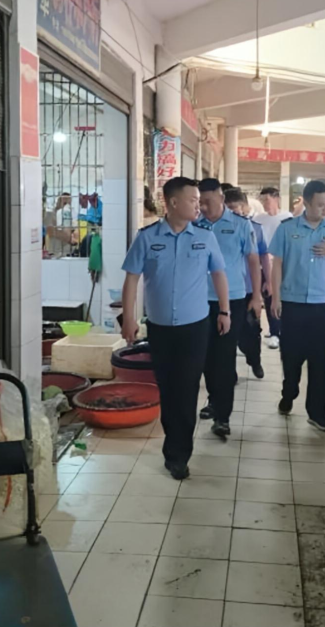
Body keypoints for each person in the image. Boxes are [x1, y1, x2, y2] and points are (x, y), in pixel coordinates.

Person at [121, 177, 230, 479]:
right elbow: (131, 278)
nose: (199, 205)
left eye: (199, 200)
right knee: (168, 388)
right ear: (172, 202)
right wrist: (129, 318)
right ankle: (174, 441)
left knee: (187, 387)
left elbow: (219, 273)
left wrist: (224, 310)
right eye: (193, 200)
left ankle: (179, 454)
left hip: (195, 327)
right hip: (160, 328)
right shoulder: (147, 237)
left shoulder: (205, 237)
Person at [268, 179, 325, 432]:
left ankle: (316, 412)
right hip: (292, 303)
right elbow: (277, 264)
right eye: (320, 205)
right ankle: (289, 392)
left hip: (321, 304)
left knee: (319, 361)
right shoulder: (287, 229)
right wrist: (275, 297)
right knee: (291, 356)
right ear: (305, 203)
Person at [195, 179, 262, 438]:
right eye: (199, 202)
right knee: (205, 356)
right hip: (198, 300)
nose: (203, 207)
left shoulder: (240, 225)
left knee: (224, 357)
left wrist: (256, 296)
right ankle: (214, 400)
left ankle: (222, 416)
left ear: (221, 198)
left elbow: (253, 261)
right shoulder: (193, 224)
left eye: (208, 202)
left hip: (232, 300)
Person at [225, 188, 269, 379]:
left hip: (249, 289)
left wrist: (266, 285)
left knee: (250, 331)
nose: (231, 212)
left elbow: (263, 257)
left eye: (234, 208)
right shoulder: (217, 229)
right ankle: (230, 372)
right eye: (227, 208)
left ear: (244, 207)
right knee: (227, 335)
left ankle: (254, 360)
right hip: (225, 291)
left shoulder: (255, 228)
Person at [254, 187, 292, 350]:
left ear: (277, 198)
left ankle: (284, 331)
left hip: (283, 264)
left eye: (267, 200)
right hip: (263, 264)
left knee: (283, 298)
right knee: (269, 297)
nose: (264, 204)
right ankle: (274, 332)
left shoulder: (288, 218)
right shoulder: (258, 219)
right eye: (262, 200)